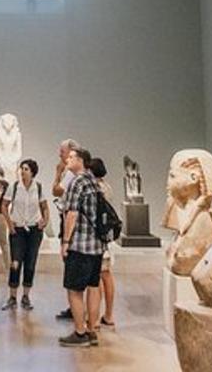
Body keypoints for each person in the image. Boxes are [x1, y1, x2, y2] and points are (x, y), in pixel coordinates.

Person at [58, 147, 106, 347]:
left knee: (74, 289)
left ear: (80, 160)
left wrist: (66, 242)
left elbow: (72, 213)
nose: (67, 160)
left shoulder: (77, 181)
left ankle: (79, 333)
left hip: (80, 244)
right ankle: (92, 329)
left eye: (71, 157)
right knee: (93, 287)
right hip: (96, 245)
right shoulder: (93, 181)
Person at [2, 158, 49, 311]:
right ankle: (12, 296)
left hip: (34, 230)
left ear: (33, 172)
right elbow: (4, 206)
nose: (23, 171)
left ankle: (26, 296)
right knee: (15, 263)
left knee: (30, 262)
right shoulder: (14, 187)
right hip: (18, 230)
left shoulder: (39, 187)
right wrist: (10, 224)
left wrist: (45, 220)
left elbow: (45, 207)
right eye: (21, 168)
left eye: (26, 169)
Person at [52, 138, 80, 320]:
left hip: (71, 221)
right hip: (69, 219)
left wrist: (57, 173)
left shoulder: (70, 174)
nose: (60, 155)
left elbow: (56, 191)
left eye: (63, 152)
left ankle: (78, 311)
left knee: (73, 267)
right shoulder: (73, 174)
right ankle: (76, 308)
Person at [89, 157, 117, 329]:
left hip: (97, 236)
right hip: (106, 236)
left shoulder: (96, 189)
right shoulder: (107, 187)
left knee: (97, 277)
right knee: (106, 275)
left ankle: (97, 316)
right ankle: (108, 313)